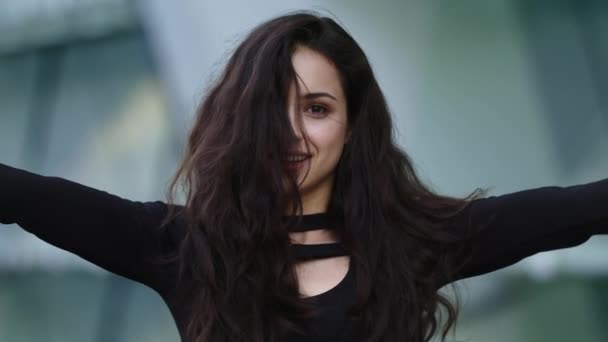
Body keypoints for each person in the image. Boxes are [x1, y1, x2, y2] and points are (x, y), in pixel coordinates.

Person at [1, 11, 607, 342]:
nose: (291, 133)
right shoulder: (182, 246)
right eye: (272, 111)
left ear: (351, 125)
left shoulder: (413, 241)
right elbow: (22, 194)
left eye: (316, 109)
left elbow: (579, 208)